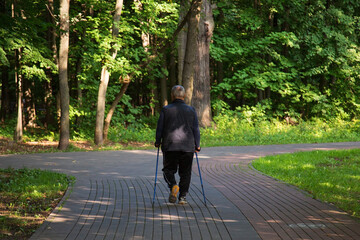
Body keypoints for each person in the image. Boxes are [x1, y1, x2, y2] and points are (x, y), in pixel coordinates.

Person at [155, 85, 201, 204]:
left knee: (168, 170)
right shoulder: (191, 110)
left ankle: (173, 185)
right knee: (186, 172)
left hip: (170, 145)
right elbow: (196, 128)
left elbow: (160, 127)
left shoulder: (166, 109)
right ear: (184, 96)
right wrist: (198, 144)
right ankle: (182, 197)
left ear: (172, 95)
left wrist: (157, 141)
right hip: (188, 146)